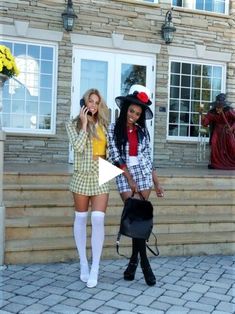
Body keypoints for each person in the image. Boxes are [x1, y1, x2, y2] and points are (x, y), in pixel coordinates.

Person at [108, 84, 164, 286]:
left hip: (143, 174)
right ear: (126, 109)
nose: (134, 115)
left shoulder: (142, 131)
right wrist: (129, 178)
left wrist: (156, 183)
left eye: (138, 113)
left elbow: (147, 159)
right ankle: (145, 265)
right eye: (131, 111)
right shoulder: (114, 127)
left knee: (138, 220)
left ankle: (133, 262)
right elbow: (114, 155)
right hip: (123, 173)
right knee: (133, 214)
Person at [66, 88, 109, 288]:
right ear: (84, 103)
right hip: (81, 175)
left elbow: (112, 151)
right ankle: (84, 262)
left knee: (98, 218)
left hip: (101, 173)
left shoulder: (105, 125)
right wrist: (84, 124)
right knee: (81, 218)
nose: (93, 105)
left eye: (96, 102)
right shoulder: (72, 124)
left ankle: (95, 267)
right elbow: (78, 148)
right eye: (90, 101)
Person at [200, 93, 235, 169]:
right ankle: (216, 163)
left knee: (232, 145)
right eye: (217, 105)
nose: (218, 108)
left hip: (227, 131)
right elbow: (205, 123)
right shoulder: (212, 112)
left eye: (221, 105)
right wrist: (202, 114)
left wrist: (232, 128)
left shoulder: (228, 110)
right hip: (217, 131)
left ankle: (232, 162)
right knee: (214, 143)